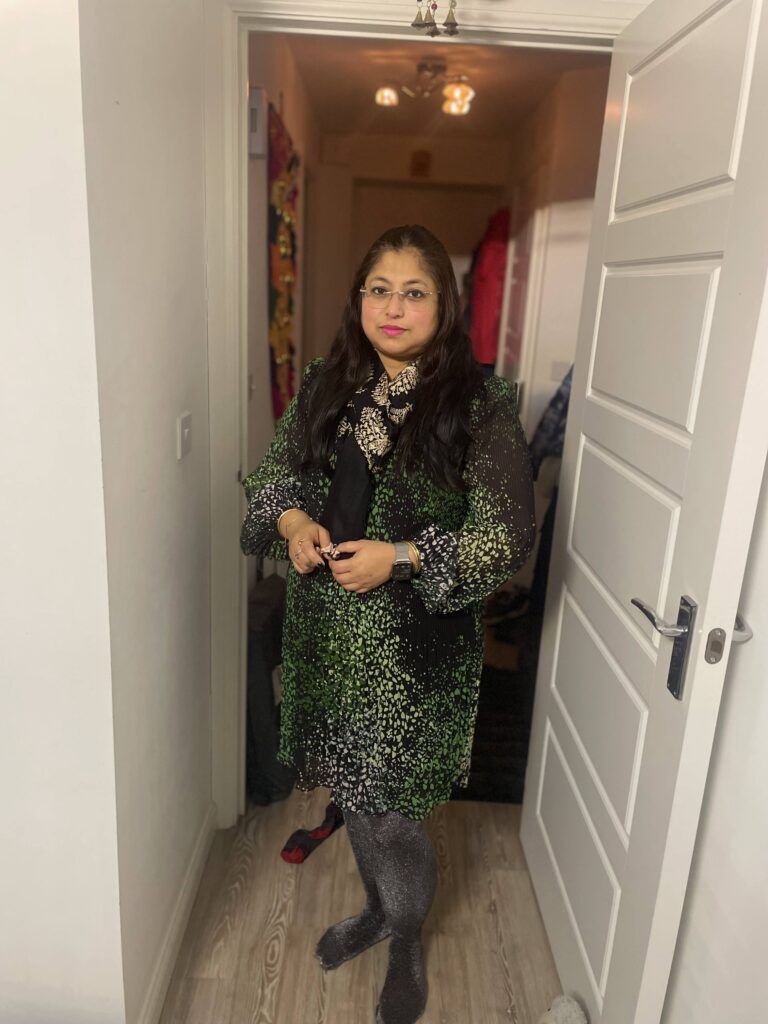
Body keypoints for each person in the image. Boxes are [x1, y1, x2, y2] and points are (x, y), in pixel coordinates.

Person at [240, 224, 535, 1024]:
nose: (393, 308)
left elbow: (507, 537)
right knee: (356, 793)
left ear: (444, 305)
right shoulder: (326, 384)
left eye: (414, 293)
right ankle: (378, 909)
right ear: (359, 299)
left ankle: (404, 937)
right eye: (379, 290)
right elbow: (275, 478)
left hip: (414, 658)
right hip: (327, 639)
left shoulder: (480, 407)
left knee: (393, 813)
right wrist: (296, 525)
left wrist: (400, 557)